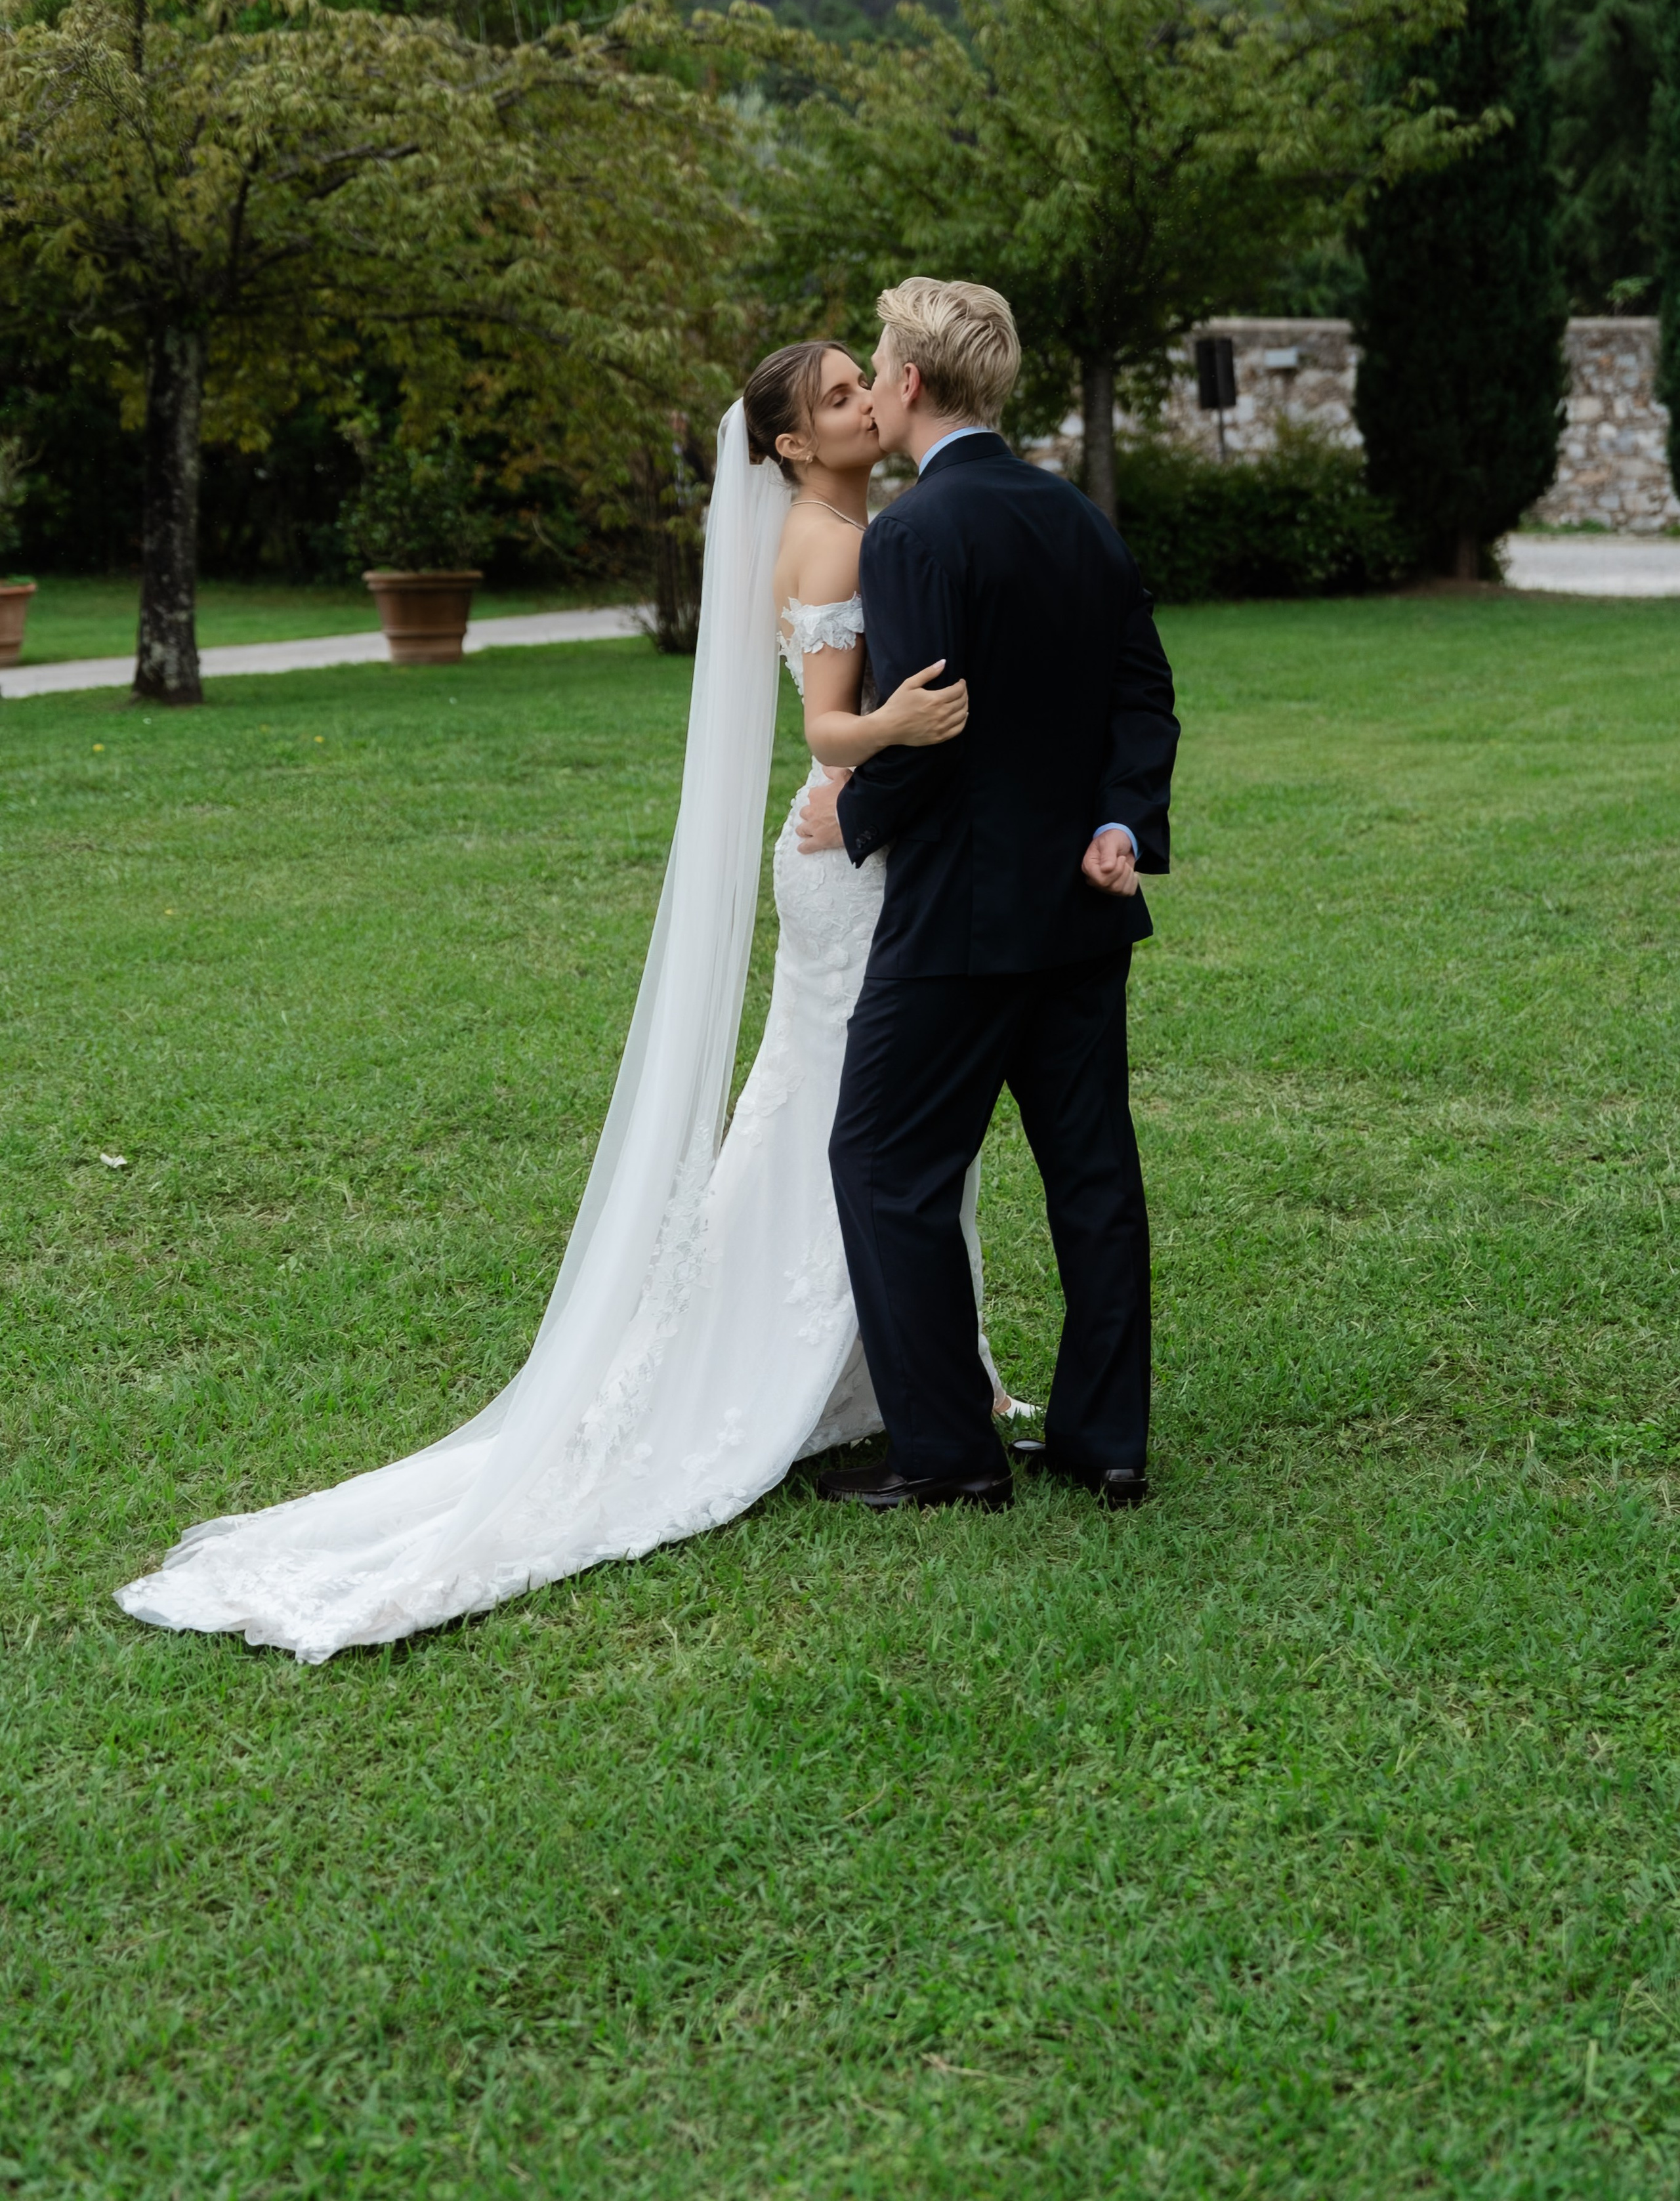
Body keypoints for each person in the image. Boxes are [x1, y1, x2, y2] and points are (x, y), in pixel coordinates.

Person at [116, 341, 1024, 1662]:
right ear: (788, 446)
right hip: (847, 858)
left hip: (863, 852)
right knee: (862, 1120)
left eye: (857, 382)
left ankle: (908, 1368)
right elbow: (827, 726)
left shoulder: (852, 523)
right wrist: (898, 728)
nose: (863, 402)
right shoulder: (831, 544)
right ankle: (828, 1370)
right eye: (835, 397)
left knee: (870, 1118)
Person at [800, 278, 1180, 1514]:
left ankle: (949, 1454)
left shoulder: (913, 533)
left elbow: (931, 730)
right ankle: (1106, 1442)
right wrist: (1120, 822)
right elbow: (1144, 695)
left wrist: (849, 813)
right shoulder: (1080, 519)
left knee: (880, 1158)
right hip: (1080, 915)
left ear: (911, 382)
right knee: (1093, 1177)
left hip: (957, 922)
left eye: (876, 366)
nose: (872, 383)